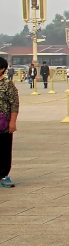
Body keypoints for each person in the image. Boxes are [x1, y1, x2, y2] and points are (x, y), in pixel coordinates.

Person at [0, 57, 19, 188]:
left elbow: (14, 104)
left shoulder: (8, 84)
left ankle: (3, 175)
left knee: (4, 149)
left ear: (2, 69)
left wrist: (12, 122)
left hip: (3, 122)